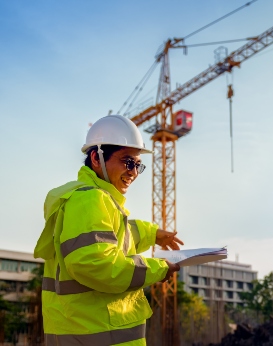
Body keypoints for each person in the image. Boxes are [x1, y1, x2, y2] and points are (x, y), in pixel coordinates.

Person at [34, 115, 183, 345]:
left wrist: (151, 234)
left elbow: (114, 236)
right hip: (94, 335)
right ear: (96, 158)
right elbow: (96, 263)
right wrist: (158, 268)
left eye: (137, 165)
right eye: (127, 162)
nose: (133, 172)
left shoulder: (99, 199)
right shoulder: (90, 199)